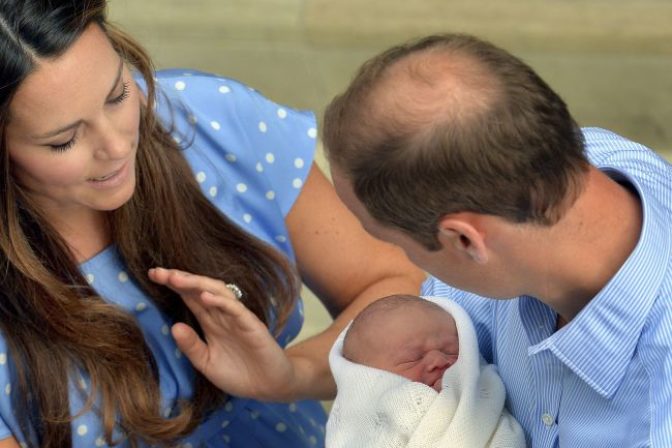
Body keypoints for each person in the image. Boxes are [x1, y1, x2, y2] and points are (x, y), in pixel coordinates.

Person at [0, 1, 425, 447]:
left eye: (117, 95)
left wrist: (291, 376)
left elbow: (396, 282)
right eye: (64, 140)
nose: (118, 143)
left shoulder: (212, 119)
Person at [321, 33, 672, 447]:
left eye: (399, 243)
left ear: (466, 242)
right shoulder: (564, 160)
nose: (418, 273)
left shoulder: (656, 412)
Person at [326, 294, 525, 447]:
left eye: (451, 350)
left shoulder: (484, 388)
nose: (438, 360)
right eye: (414, 358)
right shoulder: (371, 419)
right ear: (368, 377)